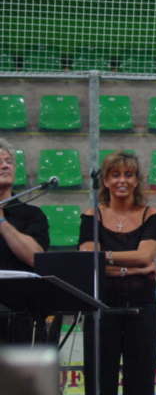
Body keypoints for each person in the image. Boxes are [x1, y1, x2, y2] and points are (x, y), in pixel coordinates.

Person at [78, 151, 156, 395]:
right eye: (115, 175)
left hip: (142, 310)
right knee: (99, 382)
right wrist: (134, 267)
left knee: (141, 383)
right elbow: (88, 259)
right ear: (105, 181)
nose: (122, 180)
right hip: (101, 309)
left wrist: (106, 257)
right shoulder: (92, 215)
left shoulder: (151, 215)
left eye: (129, 174)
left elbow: (145, 256)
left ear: (137, 180)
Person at [0, 138, 50, 343]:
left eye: (9, 161)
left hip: (20, 313)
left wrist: (2, 220)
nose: (5, 166)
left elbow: (34, 257)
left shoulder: (32, 214)